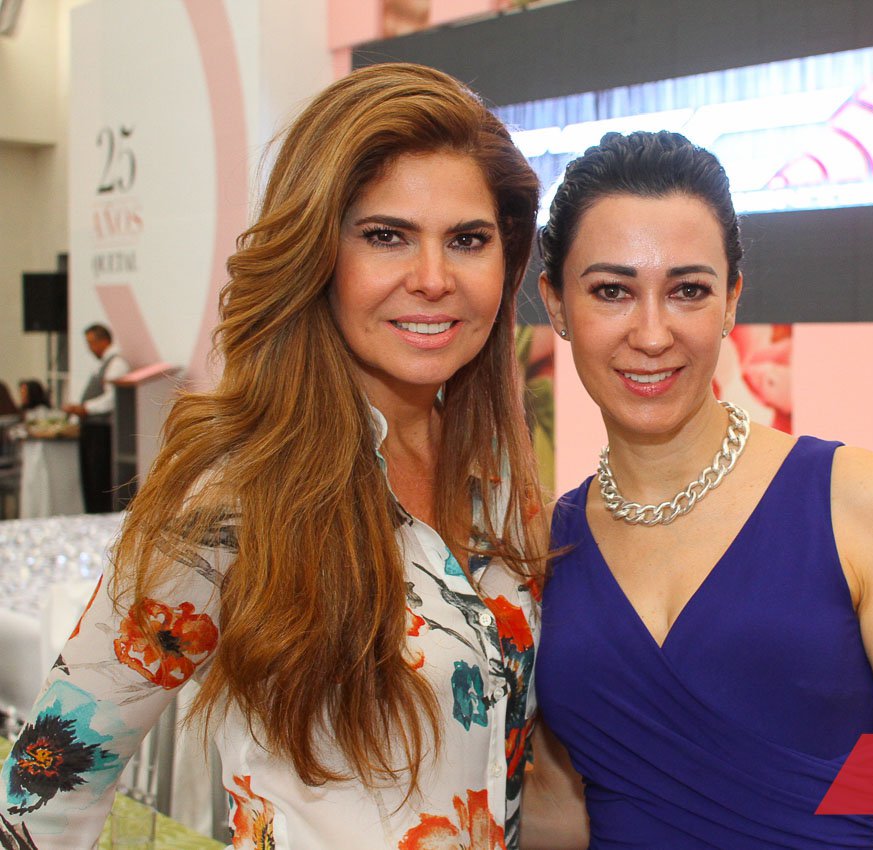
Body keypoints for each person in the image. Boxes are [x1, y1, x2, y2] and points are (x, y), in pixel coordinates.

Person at [0, 62, 546, 849]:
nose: (433, 279)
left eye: (467, 240)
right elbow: (39, 797)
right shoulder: (233, 497)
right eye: (385, 236)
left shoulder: (497, 484)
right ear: (316, 254)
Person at [525, 131, 873, 850]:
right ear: (556, 304)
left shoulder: (856, 501)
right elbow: (556, 809)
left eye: (688, 291)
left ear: (731, 299)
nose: (651, 333)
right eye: (611, 291)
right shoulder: (546, 543)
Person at [61, 324, 130, 513]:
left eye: (91, 343)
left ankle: (100, 514)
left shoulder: (117, 364)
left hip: (102, 429)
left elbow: (112, 398)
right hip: (92, 427)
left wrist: (86, 408)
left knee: (99, 477)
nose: (90, 348)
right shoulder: (104, 364)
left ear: (103, 341)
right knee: (90, 478)